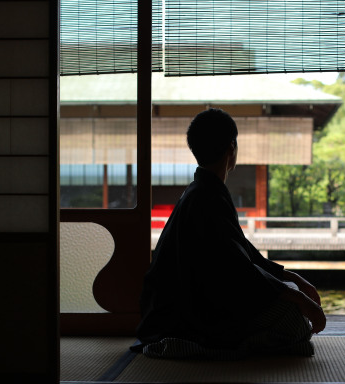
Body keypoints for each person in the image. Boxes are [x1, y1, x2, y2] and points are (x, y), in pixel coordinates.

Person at [136, 108, 326, 359]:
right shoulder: (205, 196)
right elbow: (240, 269)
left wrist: (294, 280)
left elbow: (245, 253)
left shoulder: (202, 191)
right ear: (232, 148)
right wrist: (300, 300)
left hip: (189, 306)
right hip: (187, 317)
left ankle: (240, 345)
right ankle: (227, 349)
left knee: (291, 306)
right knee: (294, 320)